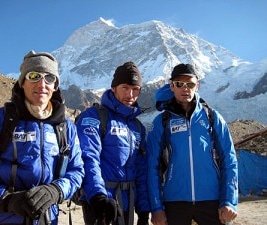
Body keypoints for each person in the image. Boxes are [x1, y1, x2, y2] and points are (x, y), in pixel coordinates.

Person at [0, 50, 85, 225]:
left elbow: (76, 171)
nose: (42, 84)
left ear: (55, 86)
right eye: (34, 76)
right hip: (1, 218)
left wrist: (56, 191)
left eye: (49, 78)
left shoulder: (66, 127)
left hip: (47, 219)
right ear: (22, 82)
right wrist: (7, 200)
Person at [147, 63, 238, 225]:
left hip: (212, 200)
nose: (185, 88)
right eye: (179, 84)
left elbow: (229, 160)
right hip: (175, 202)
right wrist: (156, 207)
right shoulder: (162, 121)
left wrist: (229, 201)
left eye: (190, 84)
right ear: (171, 86)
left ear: (197, 86)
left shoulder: (212, 117)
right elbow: (152, 165)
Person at [76, 62, 150, 225]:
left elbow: (142, 170)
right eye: (125, 87)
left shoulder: (137, 127)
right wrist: (98, 196)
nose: (130, 94)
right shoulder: (94, 117)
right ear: (114, 87)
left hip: (129, 204)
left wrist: (144, 210)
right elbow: (88, 158)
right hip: (101, 204)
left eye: (135, 89)